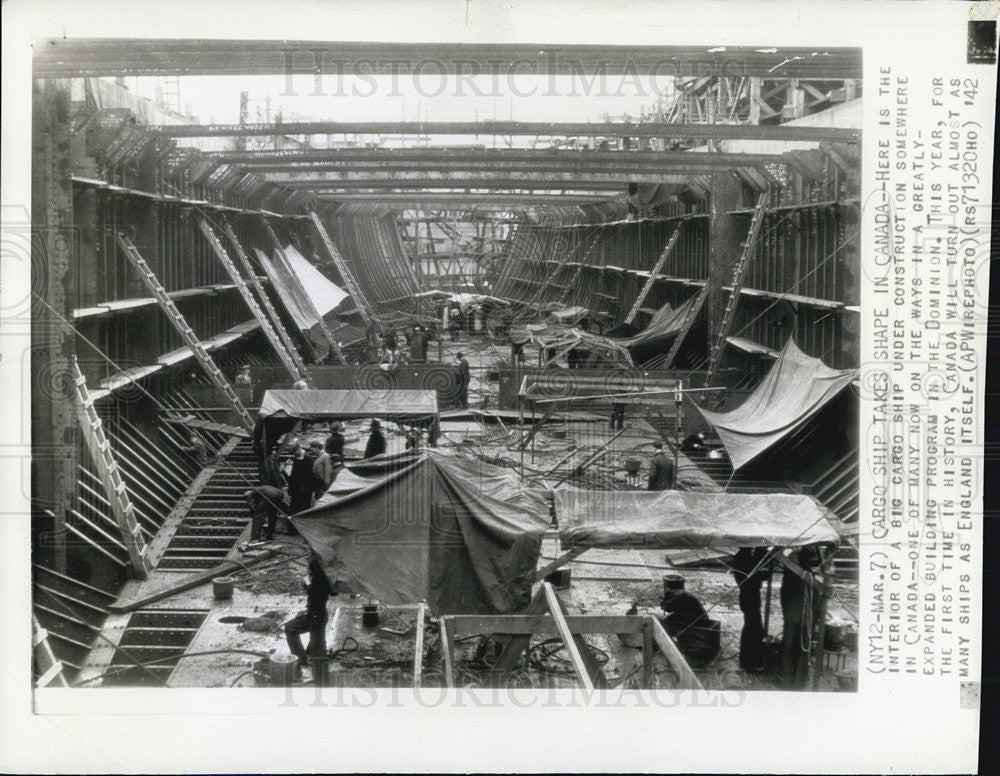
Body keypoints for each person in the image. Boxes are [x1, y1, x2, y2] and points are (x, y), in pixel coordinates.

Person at [780, 546, 822, 688]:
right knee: (802, 647)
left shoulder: (791, 573)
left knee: (790, 644)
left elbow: (784, 595)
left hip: (793, 615)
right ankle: (799, 681)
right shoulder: (807, 574)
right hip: (802, 617)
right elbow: (815, 599)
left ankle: (787, 678)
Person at [284, 555, 334, 669]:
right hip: (315, 615)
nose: (307, 569)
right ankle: (301, 658)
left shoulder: (320, 580)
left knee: (318, 653)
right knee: (290, 628)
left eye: (308, 568)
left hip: (317, 619)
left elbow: (316, 594)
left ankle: (318, 674)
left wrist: (307, 583)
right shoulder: (320, 577)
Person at [730, 547, 770, 672]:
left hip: (749, 595)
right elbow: (759, 575)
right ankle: (749, 662)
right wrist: (763, 554)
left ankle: (749, 661)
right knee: (753, 628)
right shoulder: (743, 558)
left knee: (753, 626)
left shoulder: (742, 556)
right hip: (749, 595)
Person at [287, 442, 319, 513]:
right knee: (294, 505)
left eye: (294, 452)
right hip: (296, 487)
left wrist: (308, 488)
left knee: (304, 505)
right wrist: (291, 486)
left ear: (299, 449)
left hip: (305, 488)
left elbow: (310, 475)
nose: (294, 454)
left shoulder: (308, 458)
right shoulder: (296, 457)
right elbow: (294, 472)